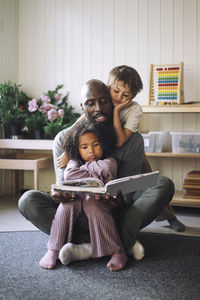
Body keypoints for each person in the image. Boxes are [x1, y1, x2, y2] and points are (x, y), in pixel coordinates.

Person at [18, 78, 174, 264]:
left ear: (111, 100)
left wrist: (115, 201)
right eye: (91, 103)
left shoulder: (132, 141)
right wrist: (60, 195)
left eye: (103, 101)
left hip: (113, 214)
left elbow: (128, 194)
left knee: (163, 184)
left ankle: (88, 246)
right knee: (28, 200)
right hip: (74, 214)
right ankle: (118, 244)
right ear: (82, 106)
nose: (98, 108)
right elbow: (66, 187)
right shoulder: (63, 140)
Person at [57, 65, 185, 232]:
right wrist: (68, 151)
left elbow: (121, 141)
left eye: (126, 95)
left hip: (126, 142)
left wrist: (117, 111)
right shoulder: (103, 97)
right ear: (108, 87)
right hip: (99, 144)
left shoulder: (132, 109)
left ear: (132, 97)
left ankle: (169, 216)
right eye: (115, 92)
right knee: (66, 139)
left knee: (147, 175)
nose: (118, 97)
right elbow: (82, 119)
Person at [39, 120, 127, 271]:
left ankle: (117, 251)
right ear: (77, 149)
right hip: (75, 215)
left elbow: (107, 169)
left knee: (91, 202)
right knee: (67, 203)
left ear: (103, 144)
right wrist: (94, 169)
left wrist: (85, 168)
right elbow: (71, 175)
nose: (91, 151)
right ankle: (54, 248)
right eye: (84, 147)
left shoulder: (110, 160)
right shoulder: (73, 162)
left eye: (96, 145)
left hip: (100, 210)